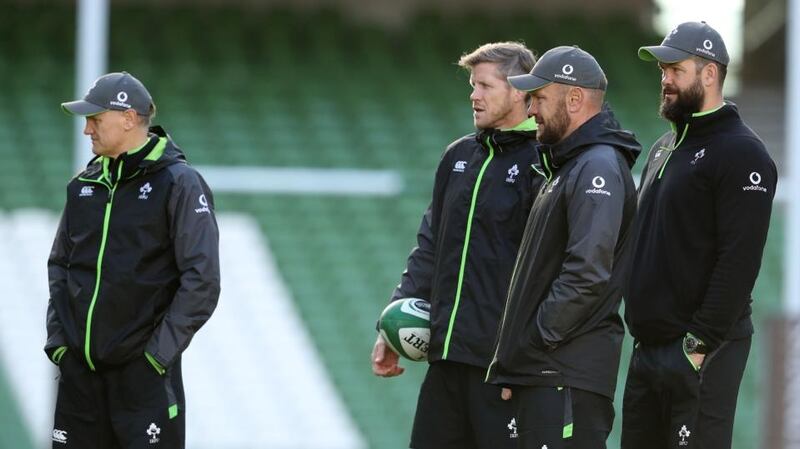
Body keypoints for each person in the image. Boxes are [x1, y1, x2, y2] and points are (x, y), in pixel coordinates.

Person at [371, 42, 540, 448]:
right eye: (472, 85)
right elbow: (429, 246)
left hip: (502, 369)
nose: (474, 95)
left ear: (519, 91)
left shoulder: (543, 161)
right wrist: (390, 326)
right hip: (445, 359)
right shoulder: (458, 155)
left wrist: (525, 361)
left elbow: (547, 270)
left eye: (485, 86)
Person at [621, 21, 777, 449]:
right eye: (663, 70)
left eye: (676, 69)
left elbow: (739, 260)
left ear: (709, 74)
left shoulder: (742, 151)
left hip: (699, 352)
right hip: (648, 351)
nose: (665, 80)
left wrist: (696, 344)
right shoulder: (663, 147)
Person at [46, 71, 220, 449]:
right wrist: (60, 345)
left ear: (128, 118)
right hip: (80, 380)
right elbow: (59, 265)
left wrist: (155, 358)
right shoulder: (83, 185)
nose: (87, 129)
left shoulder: (179, 183)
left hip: (143, 381)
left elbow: (202, 279)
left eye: (95, 119)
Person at [485, 46, 641, 449]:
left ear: (574, 99)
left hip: (563, 375)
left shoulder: (597, 166)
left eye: (539, 97)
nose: (531, 108)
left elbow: (587, 272)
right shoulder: (567, 166)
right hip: (548, 373)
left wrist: (534, 341)